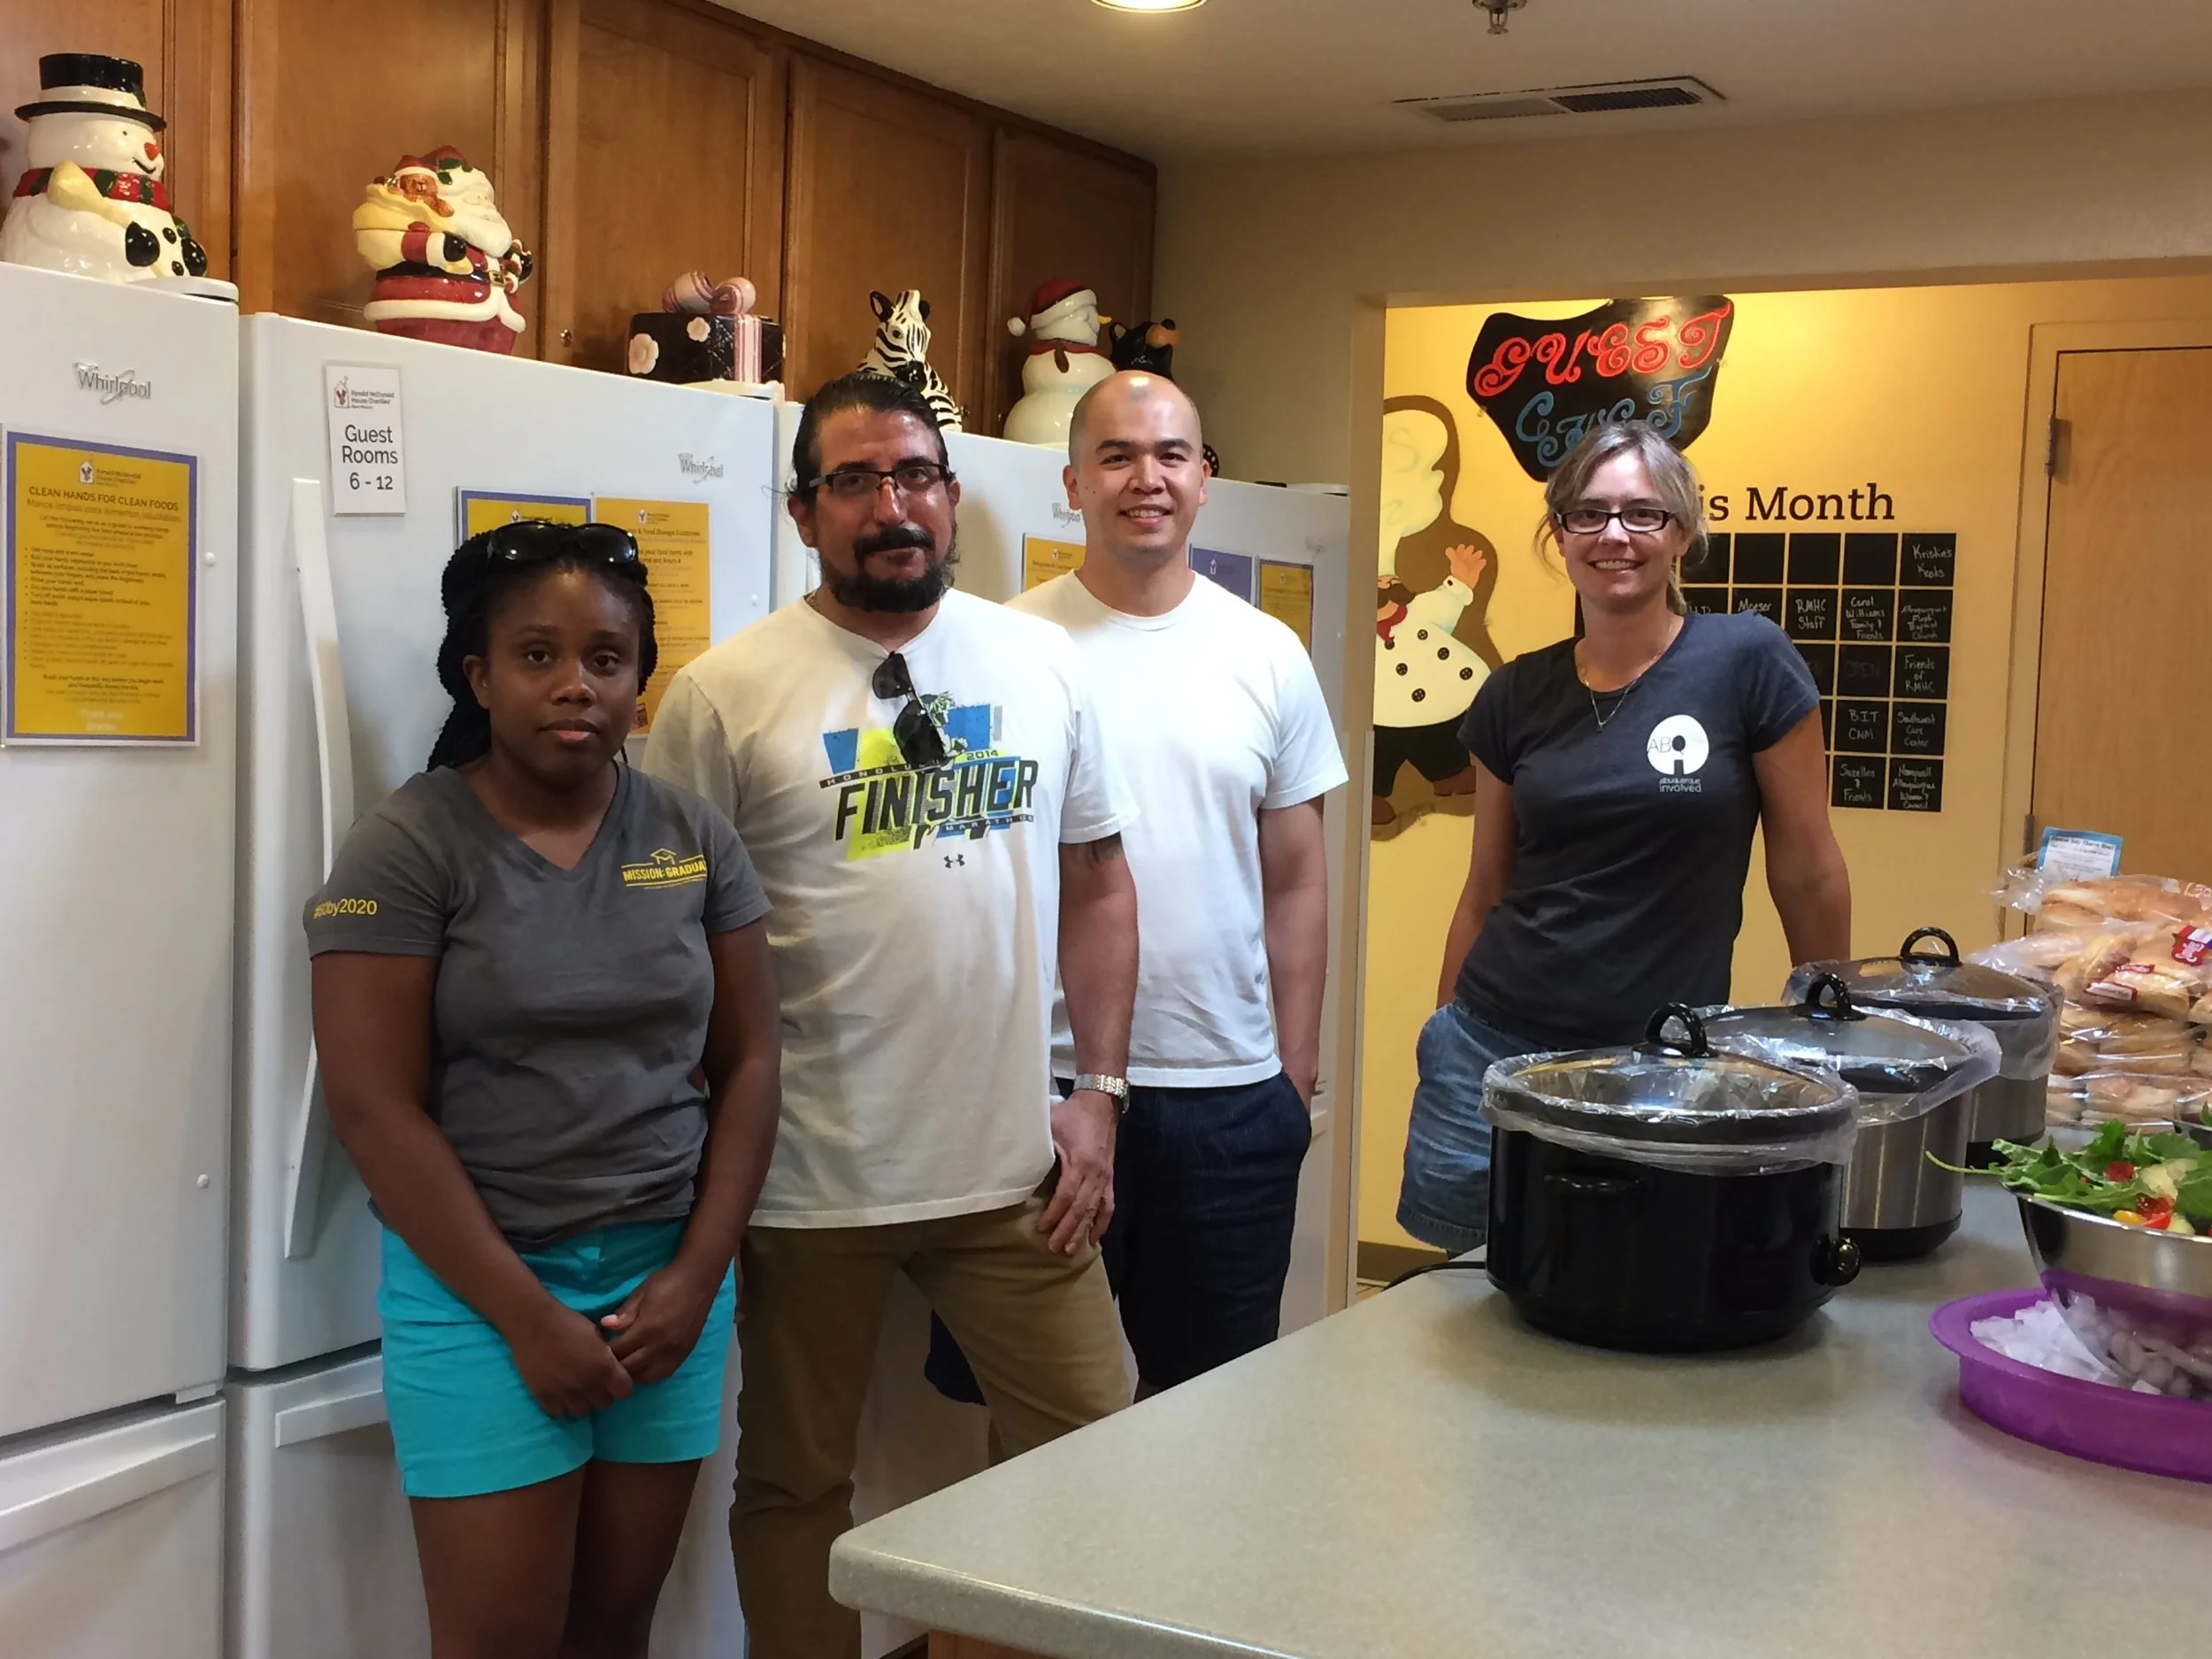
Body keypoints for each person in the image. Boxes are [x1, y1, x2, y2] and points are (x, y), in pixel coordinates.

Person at [641, 371, 1140, 1659]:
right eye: (854, 481)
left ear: (952, 496)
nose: (891, 505)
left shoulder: (1039, 659)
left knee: (1098, 1437)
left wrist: (1098, 1092)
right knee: (796, 1481)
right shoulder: (724, 693)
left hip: (1013, 1171)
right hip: (804, 1178)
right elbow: (667, 943)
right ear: (804, 513)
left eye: (914, 475)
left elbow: (1098, 879)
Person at [306, 521, 781, 1659]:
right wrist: (527, 1318)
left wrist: (696, 1277)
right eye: (537, 656)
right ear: (478, 676)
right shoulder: (408, 846)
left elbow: (753, 1061)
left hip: (666, 1290)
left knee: (614, 1628)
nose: (576, 685)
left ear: (638, 681)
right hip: (481, 1294)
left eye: (607, 659)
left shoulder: (693, 837)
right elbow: (375, 1108)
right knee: (500, 1642)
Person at [924, 371, 1345, 1406]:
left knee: (1208, 1409)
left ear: (1204, 479)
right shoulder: (1002, 651)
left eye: (1169, 455)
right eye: (1115, 456)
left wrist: (1292, 1078)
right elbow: (966, 874)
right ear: (1073, 482)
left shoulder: (1267, 653)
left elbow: (1296, 878)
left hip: (1228, 1097)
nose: (1144, 478)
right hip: (1045, 1095)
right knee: (1026, 1408)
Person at [1396, 421, 1853, 1255]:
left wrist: (1825, 1032)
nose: (1614, 534)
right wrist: (1445, 1026)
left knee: (1641, 1282)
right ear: (1560, 533)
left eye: (1643, 513)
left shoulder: (1747, 660)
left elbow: (1807, 868)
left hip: (1662, 1061)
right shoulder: (1513, 693)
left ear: (1681, 533)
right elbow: (1486, 889)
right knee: (1460, 1293)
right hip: (1493, 1047)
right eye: (1589, 513)